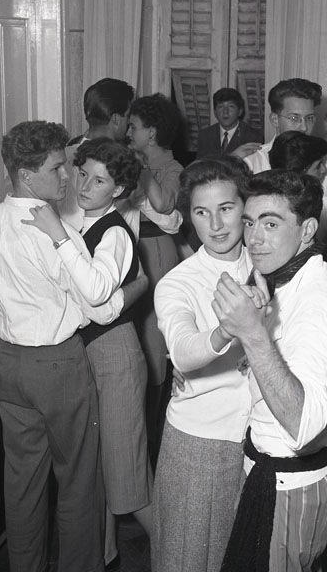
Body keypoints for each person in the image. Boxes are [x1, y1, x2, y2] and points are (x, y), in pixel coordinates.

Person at [0, 120, 125, 572]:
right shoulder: (59, 234)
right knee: (79, 480)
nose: (67, 176)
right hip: (58, 365)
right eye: (56, 168)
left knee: (22, 481)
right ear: (26, 175)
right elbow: (98, 309)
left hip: (7, 362)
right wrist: (133, 290)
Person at [22, 138, 152, 571]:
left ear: (119, 190)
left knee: (126, 481)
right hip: (91, 353)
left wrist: (58, 236)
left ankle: (182, 556)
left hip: (115, 355)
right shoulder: (82, 226)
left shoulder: (113, 231)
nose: (84, 186)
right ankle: (105, 558)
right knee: (100, 471)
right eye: (82, 174)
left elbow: (96, 295)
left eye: (99, 181)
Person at [214, 170, 327, 572]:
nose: (253, 239)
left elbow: (304, 425)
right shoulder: (282, 280)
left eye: (271, 224)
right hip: (269, 474)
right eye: (249, 223)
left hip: (291, 485)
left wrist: (253, 333)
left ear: (307, 229)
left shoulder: (319, 303)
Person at [152, 156, 256, 572]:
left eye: (225, 208)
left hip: (261, 444)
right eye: (201, 212)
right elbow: (182, 348)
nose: (215, 224)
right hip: (201, 446)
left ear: (245, 207)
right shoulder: (178, 282)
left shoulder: (268, 265)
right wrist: (227, 330)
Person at [125, 93, 184, 455]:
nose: (128, 132)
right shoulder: (134, 160)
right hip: (133, 250)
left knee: (153, 338)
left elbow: (165, 205)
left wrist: (142, 173)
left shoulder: (170, 167)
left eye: (134, 127)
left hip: (156, 253)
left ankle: (154, 434)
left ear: (152, 132)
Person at [244, 78, 327, 203]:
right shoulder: (251, 162)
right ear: (275, 120)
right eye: (294, 118)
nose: (304, 127)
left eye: (309, 118)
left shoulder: (323, 161)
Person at [57, 77, 135, 230]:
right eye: (128, 116)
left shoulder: (62, 157)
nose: (129, 123)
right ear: (116, 119)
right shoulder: (123, 164)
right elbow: (169, 221)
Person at [268, 130, 327, 240]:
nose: (324, 170)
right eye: (318, 166)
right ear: (300, 174)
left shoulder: (262, 204)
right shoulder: (326, 207)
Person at [195, 87, 264, 159]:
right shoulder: (205, 136)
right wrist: (233, 156)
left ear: (240, 111)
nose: (225, 112)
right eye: (221, 106)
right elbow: (199, 166)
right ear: (215, 112)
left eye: (231, 106)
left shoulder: (253, 137)